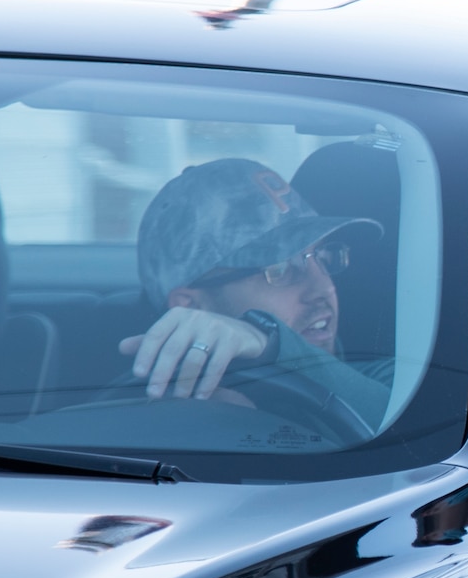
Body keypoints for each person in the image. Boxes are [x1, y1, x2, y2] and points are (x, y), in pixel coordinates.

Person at [126, 157, 391, 429]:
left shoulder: (395, 380)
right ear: (191, 307)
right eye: (281, 269)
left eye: (322, 257)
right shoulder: (136, 404)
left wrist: (271, 342)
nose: (324, 288)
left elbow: (400, 429)